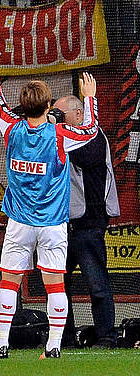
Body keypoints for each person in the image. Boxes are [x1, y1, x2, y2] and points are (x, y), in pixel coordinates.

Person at [0, 46, 98, 359]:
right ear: (48, 105)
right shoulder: (60, 135)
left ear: (22, 106)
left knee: (9, 282)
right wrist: (90, 98)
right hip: (53, 224)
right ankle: (53, 348)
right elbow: (90, 130)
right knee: (55, 285)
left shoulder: (10, 127)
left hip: (19, 222)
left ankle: (1, 346)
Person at [64, 116, 120, 348]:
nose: (58, 121)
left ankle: (106, 337)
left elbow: (84, 156)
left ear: (79, 115)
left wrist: (57, 132)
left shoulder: (93, 137)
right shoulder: (61, 138)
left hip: (88, 225)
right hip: (60, 225)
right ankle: (63, 338)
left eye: (61, 115)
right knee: (56, 286)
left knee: (97, 286)